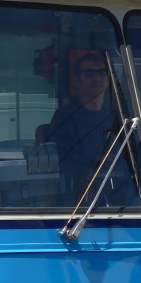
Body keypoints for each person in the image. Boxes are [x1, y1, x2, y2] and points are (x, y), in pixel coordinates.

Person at [46, 52, 117, 199]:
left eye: (102, 73)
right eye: (89, 73)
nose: (96, 78)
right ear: (77, 80)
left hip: (120, 188)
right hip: (78, 194)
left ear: (108, 79)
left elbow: (133, 150)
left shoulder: (117, 116)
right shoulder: (65, 116)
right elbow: (61, 157)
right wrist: (96, 160)